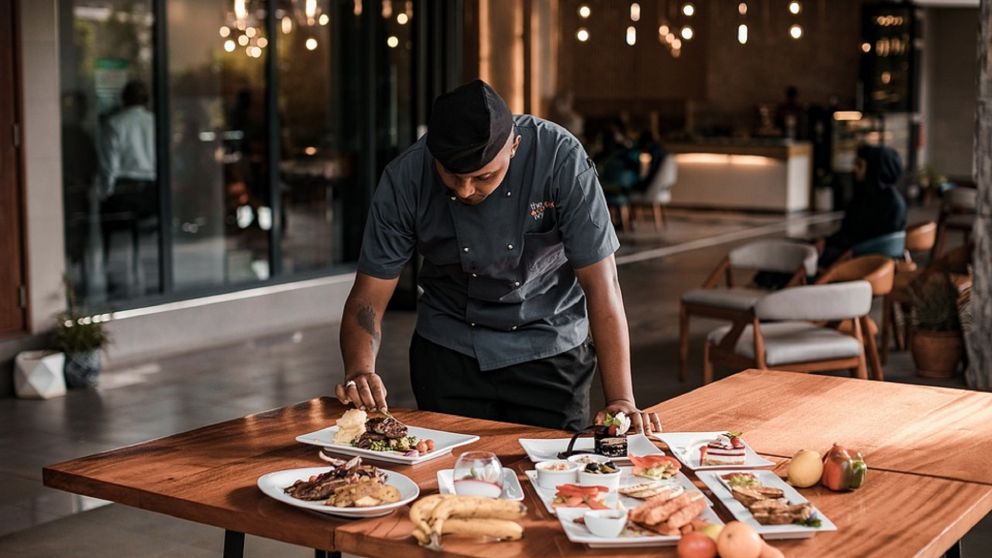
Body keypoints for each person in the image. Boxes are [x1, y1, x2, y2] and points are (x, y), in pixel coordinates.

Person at [334, 80, 661, 434]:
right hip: (449, 350)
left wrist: (621, 399)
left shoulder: (560, 159)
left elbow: (602, 284)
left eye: (483, 176)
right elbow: (368, 296)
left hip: (550, 347)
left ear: (514, 146)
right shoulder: (405, 178)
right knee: (445, 465)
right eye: (452, 176)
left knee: (549, 464)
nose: (465, 190)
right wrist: (359, 370)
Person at [818, 145, 907, 268]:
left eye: (859, 165)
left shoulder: (885, 202)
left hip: (861, 261)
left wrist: (828, 242)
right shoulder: (880, 197)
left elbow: (857, 237)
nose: (854, 169)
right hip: (870, 260)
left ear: (875, 168)